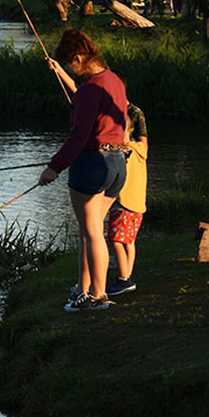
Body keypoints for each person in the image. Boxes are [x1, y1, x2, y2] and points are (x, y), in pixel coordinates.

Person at [40, 28, 128, 312]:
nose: (69, 68)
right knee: (87, 232)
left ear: (78, 57)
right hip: (117, 165)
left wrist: (53, 168)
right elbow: (95, 105)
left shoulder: (90, 89)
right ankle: (83, 289)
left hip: (91, 165)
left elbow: (78, 138)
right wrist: (60, 74)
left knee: (91, 233)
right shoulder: (113, 80)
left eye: (68, 64)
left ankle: (97, 295)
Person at [107, 98, 147, 295]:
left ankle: (124, 279)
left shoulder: (125, 151)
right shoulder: (137, 150)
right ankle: (126, 277)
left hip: (124, 200)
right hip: (137, 202)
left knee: (115, 239)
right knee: (129, 241)